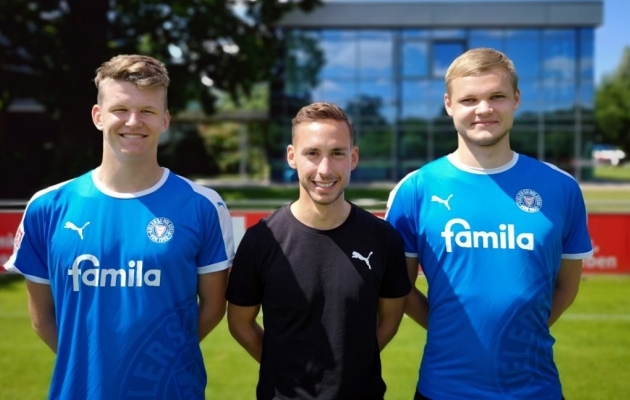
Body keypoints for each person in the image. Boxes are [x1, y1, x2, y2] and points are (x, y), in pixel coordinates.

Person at [4, 54, 234, 399]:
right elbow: (43, 318)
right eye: (120, 109)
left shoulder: (203, 205)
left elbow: (213, 307)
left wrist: (156, 361)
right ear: (98, 116)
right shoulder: (47, 206)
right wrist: (96, 366)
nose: (133, 121)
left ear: (165, 120)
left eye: (147, 111)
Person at [385, 47, 594, 399]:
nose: (484, 109)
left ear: (516, 99)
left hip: (536, 389)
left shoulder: (561, 187)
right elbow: (399, 289)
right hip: (443, 389)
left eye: (496, 96)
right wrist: (452, 333)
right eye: (469, 99)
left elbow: (566, 288)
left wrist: (522, 332)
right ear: (449, 105)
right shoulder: (415, 190)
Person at [226, 102, 411, 399]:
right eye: (312, 153)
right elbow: (240, 324)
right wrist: (286, 369)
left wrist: (351, 369)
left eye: (337, 153)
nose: (324, 170)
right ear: (291, 157)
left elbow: (390, 319)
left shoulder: (383, 238)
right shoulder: (261, 240)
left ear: (353, 158)